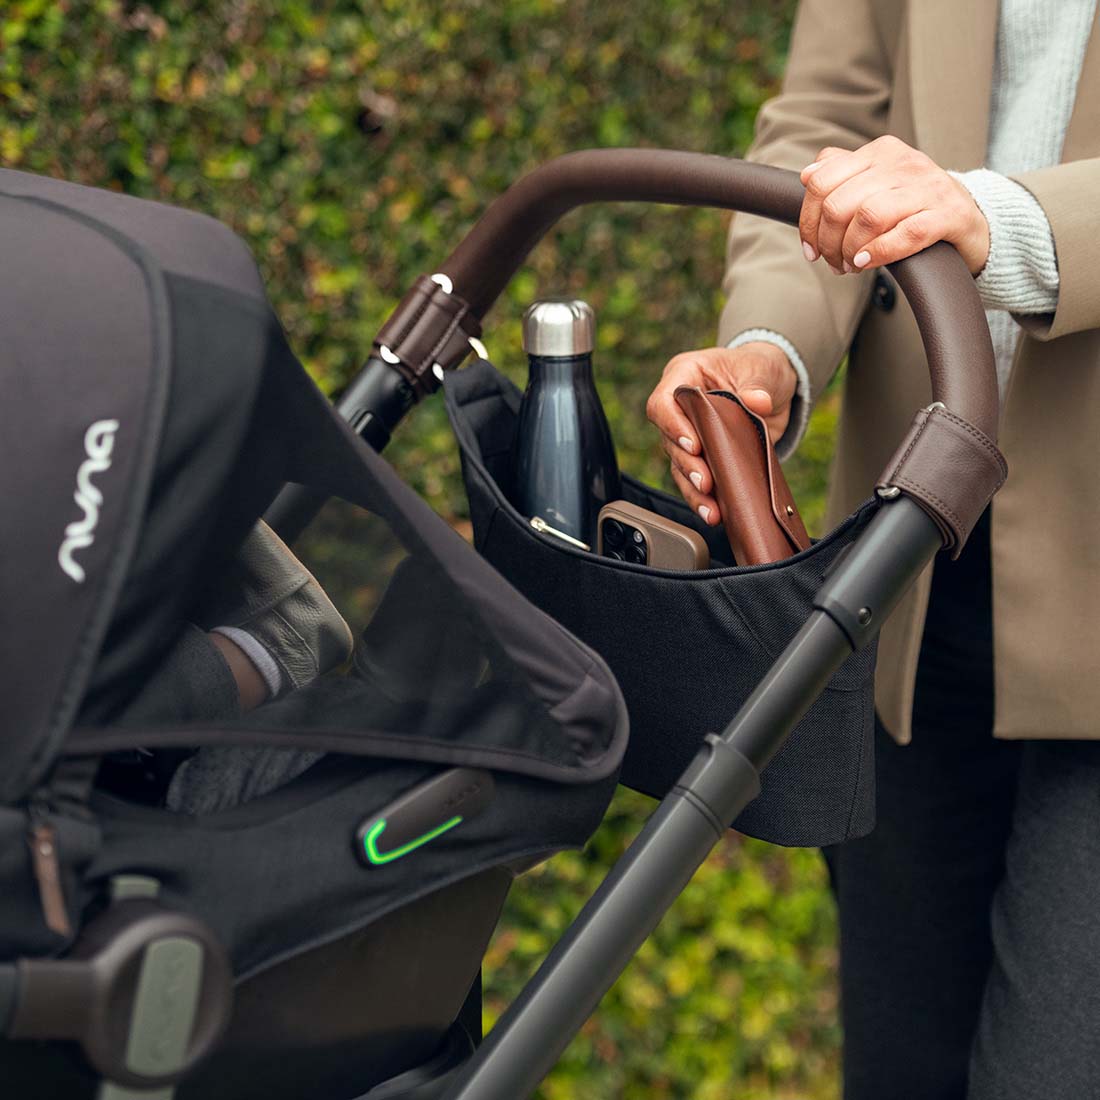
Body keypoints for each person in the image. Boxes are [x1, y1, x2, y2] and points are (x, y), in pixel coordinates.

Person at [646, 2, 1100, 1098]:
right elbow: (827, 121)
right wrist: (767, 345)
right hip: (908, 568)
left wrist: (1009, 221)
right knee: (900, 1067)